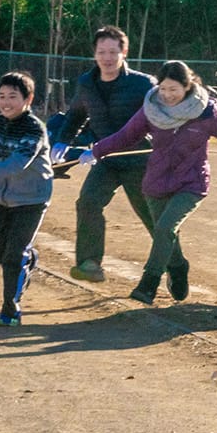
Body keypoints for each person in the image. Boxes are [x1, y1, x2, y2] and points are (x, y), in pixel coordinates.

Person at [85, 61, 217, 306]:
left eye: (174, 89)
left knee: (165, 228)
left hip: (191, 182)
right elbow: (126, 135)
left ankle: (149, 283)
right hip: (156, 182)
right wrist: (96, 151)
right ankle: (178, 266)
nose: (167, 95)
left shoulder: (206, 112)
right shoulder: (151, 108)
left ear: (188, 86)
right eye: (164, 89)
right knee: (166, 233)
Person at [56, 26, 155, 282]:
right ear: (95, 54)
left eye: (113, 52)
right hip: (105, 160)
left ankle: (175, 264)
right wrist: (63, 142)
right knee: (88, 202)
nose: (107, 58)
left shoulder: (143, 84)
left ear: (124, 52)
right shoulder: (86, 83)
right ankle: (90, 263)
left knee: (153, 217)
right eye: (102, 52)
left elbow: (160, 119)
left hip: (139, 161)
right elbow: (77, 115)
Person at [0, 72, 52, 325]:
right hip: (1, 200)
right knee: (2, 252)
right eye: (1, 96)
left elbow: (16, 164)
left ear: (28, 99)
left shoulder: (34, 128)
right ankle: (29, 259)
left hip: (31, 201)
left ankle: (11, 310)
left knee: (12, 256)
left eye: (12, 97)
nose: (6, 102)